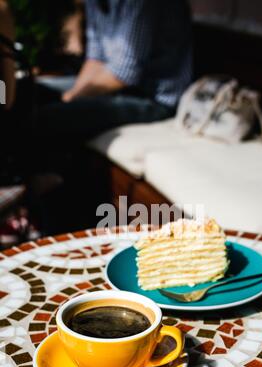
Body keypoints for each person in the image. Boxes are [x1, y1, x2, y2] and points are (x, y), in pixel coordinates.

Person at [27, 0, 193, 234]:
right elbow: (94, 60)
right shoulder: (96, 3)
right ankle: (43, 193)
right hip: (118, 88)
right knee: (34, 92)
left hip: (154, 99)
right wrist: (72, 95)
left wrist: (71, 97)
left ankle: (48, 200)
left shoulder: (139, 3)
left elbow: (125, 74)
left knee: (46, 117)